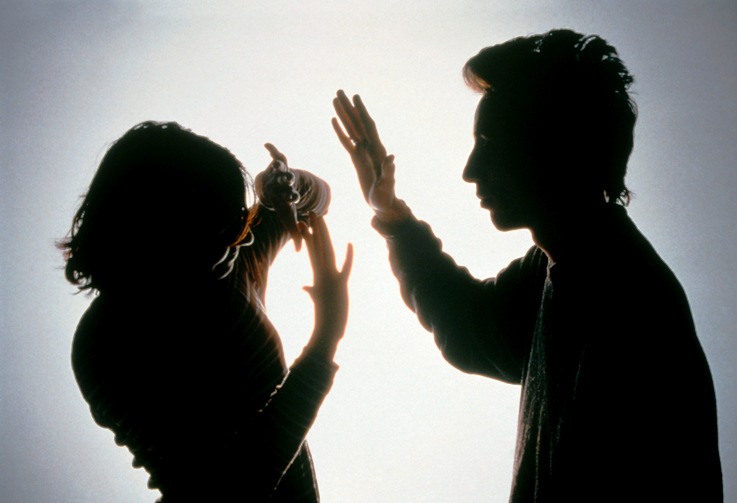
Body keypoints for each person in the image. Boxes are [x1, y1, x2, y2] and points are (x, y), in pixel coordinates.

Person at [332, 29, 722, 502]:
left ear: (558, 149)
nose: (470, 170)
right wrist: (393, 216)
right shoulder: (555, 268)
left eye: (490, 144)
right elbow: (471, 325)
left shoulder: (632, 312)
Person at [59, 121, 353, 502]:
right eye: (225, 227)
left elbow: (318, 200)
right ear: (166, 235)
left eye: (241, 219)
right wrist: (325, 339)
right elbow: (227, 489)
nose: (243, 236)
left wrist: (282, 185)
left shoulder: (233, 266)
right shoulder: (104, 345)